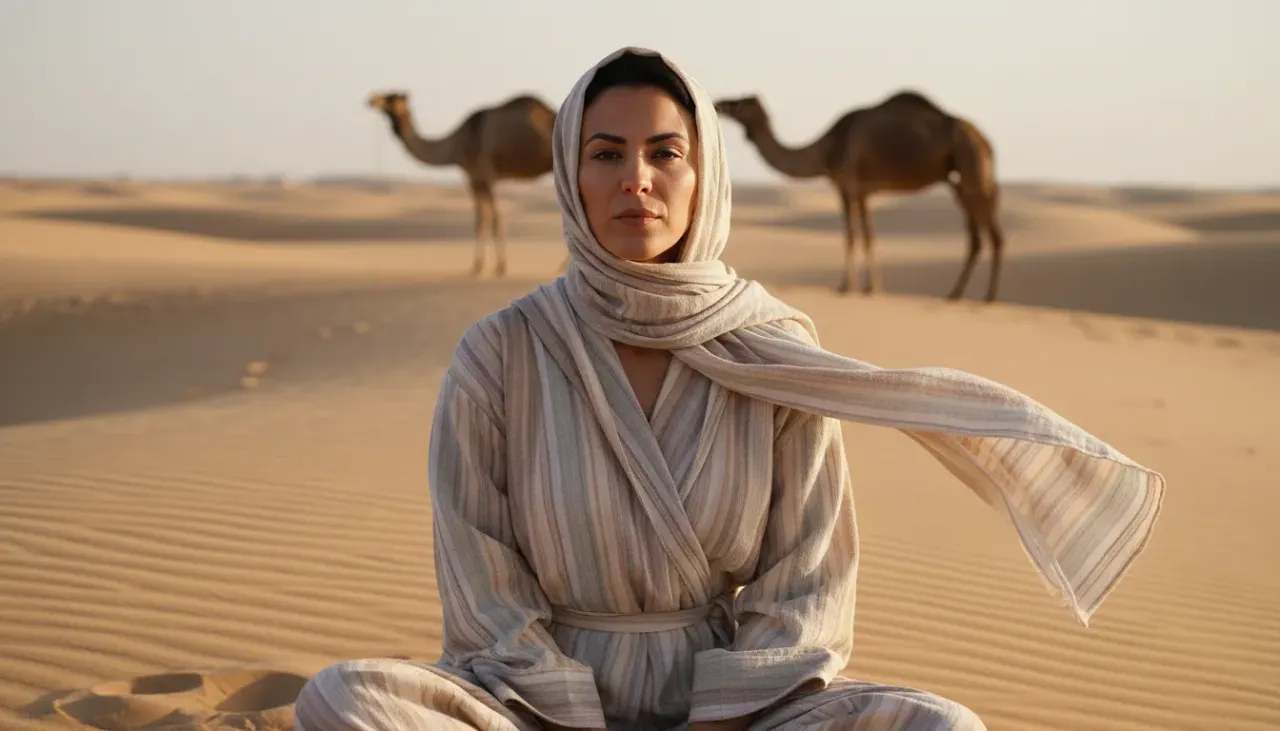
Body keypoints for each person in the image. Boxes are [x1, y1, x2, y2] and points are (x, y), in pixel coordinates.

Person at [294, 47, 1163, 731]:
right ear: (570, 175)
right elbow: (482, 584)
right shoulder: (501, 351)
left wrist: (720, 718)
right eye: (606, 153)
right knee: (343, 698)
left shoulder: (775, 348)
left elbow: (805, 579)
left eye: (664, 153)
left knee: (943, 726)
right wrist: (565, 714)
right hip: (535, 705)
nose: (636, 179)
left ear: (703, 173)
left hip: (740, 711)